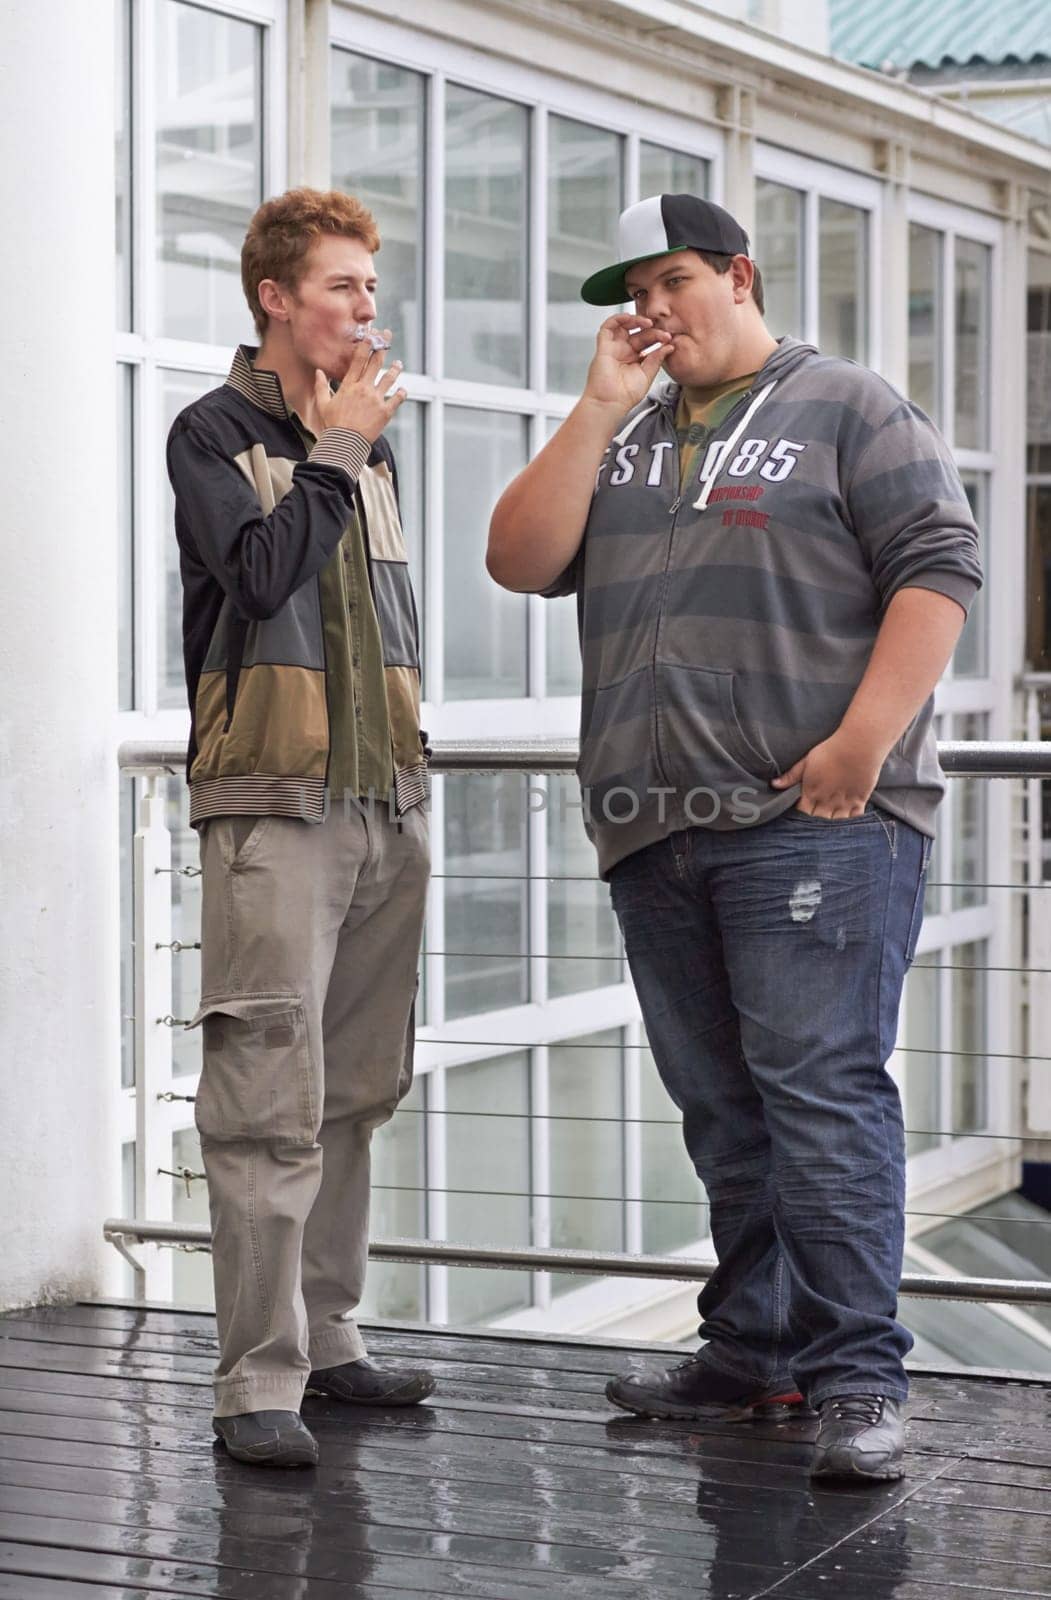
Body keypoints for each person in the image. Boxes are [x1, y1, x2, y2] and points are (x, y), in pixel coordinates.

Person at [487, 193, 982, 1482]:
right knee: (724, 1111)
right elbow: (517, 558)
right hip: (656, 828)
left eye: (670, 282)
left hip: (812, 823)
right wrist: (596, 405)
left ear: (738, 277)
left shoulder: (848, 405)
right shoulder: (633, 436)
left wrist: (862, 744)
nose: (647, 310)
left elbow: (939, 568)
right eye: (630, 293)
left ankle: (857, 1379)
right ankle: (754, 1350)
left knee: (820, 1100)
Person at [167, 187, 434, 1468]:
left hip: (384, 805)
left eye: (370, 288)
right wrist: (335, 453)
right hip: (273, 809)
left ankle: (328, 1342)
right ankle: (253, 1382)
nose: (365, 309)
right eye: (341, 286)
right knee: (267, 1100)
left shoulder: (374, 444)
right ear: (274, 297)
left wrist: (353, 447)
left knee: (354, 1095)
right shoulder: (211, 433)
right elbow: (263, 575)